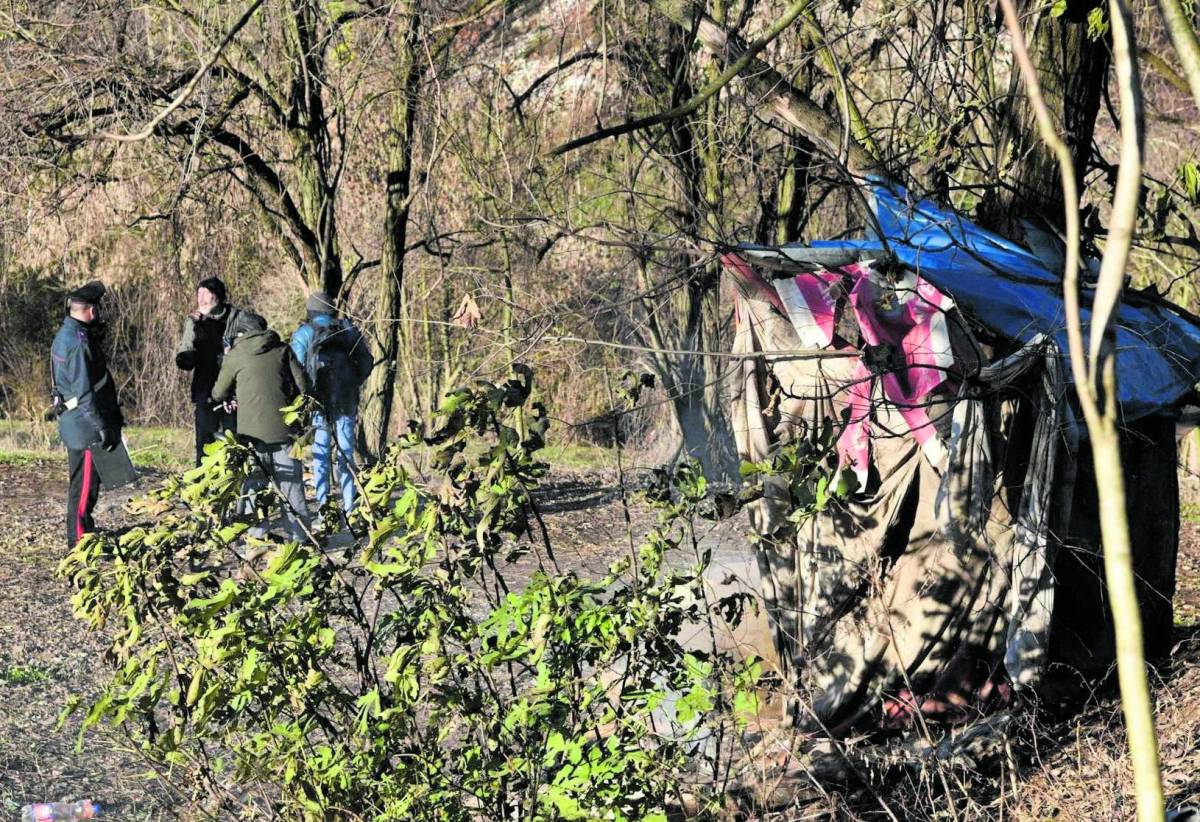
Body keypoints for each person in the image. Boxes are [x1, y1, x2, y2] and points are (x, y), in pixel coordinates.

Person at [211, 312, 311, 541]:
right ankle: (301, 542)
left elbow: (218, 393)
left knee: (253, 490)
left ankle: (257, 542)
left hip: (251, 437)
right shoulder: (282, 349)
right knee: (293, 490)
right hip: (286, 433)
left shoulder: (235, 355)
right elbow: (304, 387)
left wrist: (238, 394)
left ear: (240, 333)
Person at [51, 280, 124, 548]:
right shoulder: (79, 342)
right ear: (91, 311)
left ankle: (85, 533)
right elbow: (84, 393)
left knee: (83, 484)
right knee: (84, 490)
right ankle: (79, 543)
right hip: (84, 426)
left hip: (74, 421)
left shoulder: (66, 334)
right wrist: (101, 425)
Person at [289, 291, 373, 518]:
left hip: (319, 401)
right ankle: (350, 508)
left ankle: (323, 509)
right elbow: (367, 362)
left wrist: (304, 397)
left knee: (321, 454)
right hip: (347, 398)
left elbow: (294, 368)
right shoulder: (347, 329)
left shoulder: (304, 333)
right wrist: (354, 382)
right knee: (345, 453)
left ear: (311, 311)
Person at [175, 277, 247, 465]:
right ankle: (204, 489)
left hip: (233, 392)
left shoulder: (237, 318)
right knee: (205, 445)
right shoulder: (193, 321)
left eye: (205, 293)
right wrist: (185, 358)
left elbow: (255, 335)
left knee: (234, 444)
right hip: (205, 390)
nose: (201, 298)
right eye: (198, 293)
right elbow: (186, 348)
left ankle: (234, 487)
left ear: (218, 296)